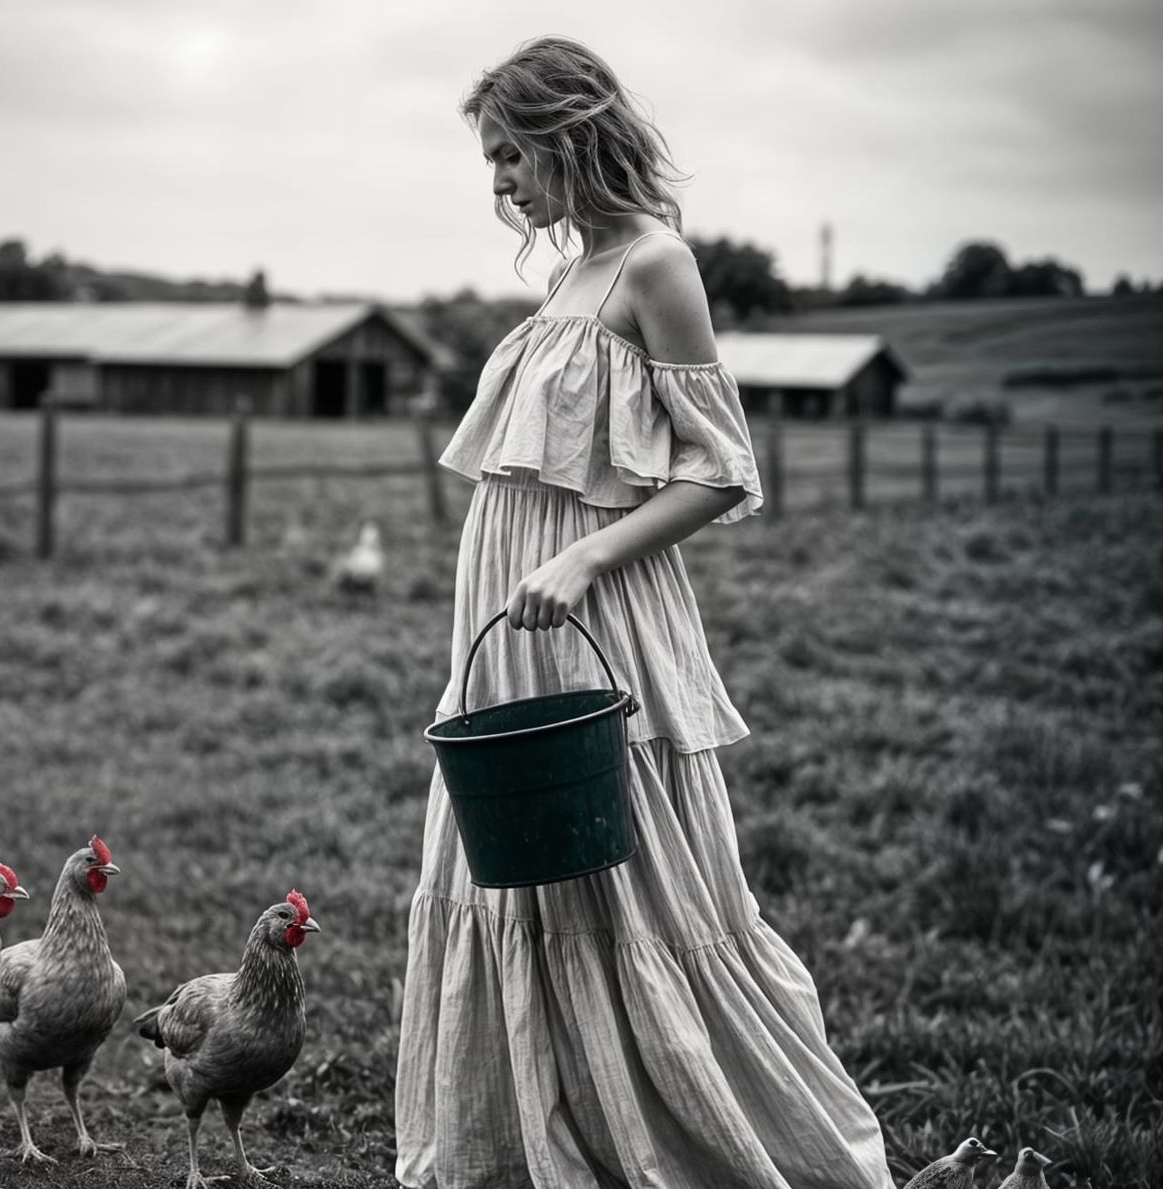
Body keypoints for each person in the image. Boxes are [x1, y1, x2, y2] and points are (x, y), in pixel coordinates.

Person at [395, 37, 893, 1189]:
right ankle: (534, 1131)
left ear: (571, 134)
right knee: (514, 863)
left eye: (512, 154)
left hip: (595, 611)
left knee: (628, 870)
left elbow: (721, 471)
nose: (500, 184)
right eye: (490, 162)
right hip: (506, 625)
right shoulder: (569, 274)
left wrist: (582, 561)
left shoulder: (656, 266)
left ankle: (694, 1134)